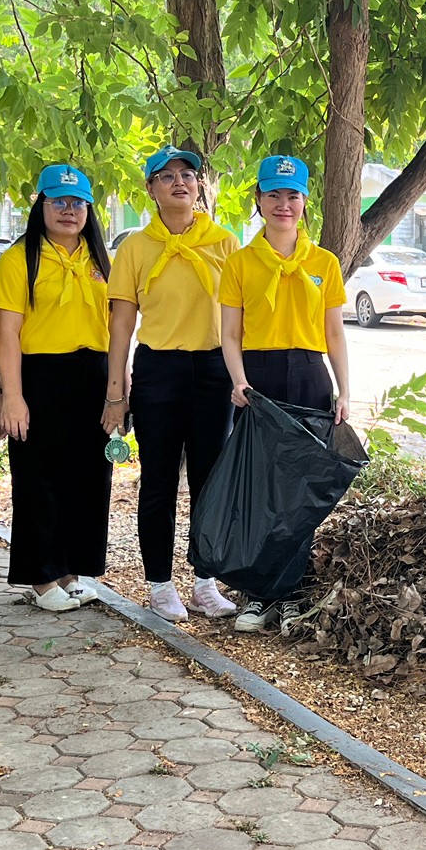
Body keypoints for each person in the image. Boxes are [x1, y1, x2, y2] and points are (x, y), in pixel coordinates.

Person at [105, 144, 241, 623]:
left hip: (213, 373)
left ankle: (205, 582)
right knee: (159, 480)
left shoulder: (224, 242)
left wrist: (242, 379)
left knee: (209, 481)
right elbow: (121, 327)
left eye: (188, 173)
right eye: (166, 176)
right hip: (158, 371)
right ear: (151, 189)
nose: (179, 182)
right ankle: (160, 585)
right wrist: (115, 397)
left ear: (200, 183)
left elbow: (238, 321)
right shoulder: (136, 248)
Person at [218, 154, 350, 634]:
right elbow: (230, 334)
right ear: (258, 200)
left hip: (311, 376)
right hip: (260, 380)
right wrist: (239, 381)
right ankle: (258, 595)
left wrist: (344, 391)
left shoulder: (324, 263)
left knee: (302, 491)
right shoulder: (240, 262)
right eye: (273, 194)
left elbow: (334, 334)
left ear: (304, 201)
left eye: (292, 195)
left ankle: (293, 594)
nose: (283, 204)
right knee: (263, 489)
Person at [0, 164, 113, 611]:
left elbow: (116, 326)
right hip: (39, 376)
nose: (69, 210)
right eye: (58, 201)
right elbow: (6, 333)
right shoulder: (19, 258)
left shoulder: (99, 259)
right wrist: (11, 395)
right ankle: (40, 577)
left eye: (78, 202)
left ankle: (73, 571)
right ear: (40, 205)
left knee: (89, 476)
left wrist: (118, 387)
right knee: (39, 478)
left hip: (93, 376)